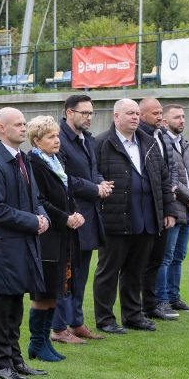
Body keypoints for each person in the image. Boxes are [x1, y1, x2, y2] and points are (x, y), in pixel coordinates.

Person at [0, 107, 51, 379]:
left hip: (23, 246)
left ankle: (16, 360)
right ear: (2, 128)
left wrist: (42, 216)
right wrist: (33, 221)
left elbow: (34, 199)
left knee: (17, 305)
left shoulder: (23, 160)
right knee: (3, 306)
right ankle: (2, 364)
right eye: (18, 124)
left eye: (24, 123)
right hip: (4, 249)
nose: (23, 128)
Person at [93, 99, 177, 334]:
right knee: (108, 271)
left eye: (137, 113)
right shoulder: (101, 143)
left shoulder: (149, 143)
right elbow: (93, 175)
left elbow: (163, 179)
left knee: (135, 271)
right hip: (115, 218)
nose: (134, 117)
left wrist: (169, 210)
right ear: (116, 116)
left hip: (146, 218)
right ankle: (105, 319)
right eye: (129, 113)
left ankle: (132, 315)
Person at [51, 94, 113, 346]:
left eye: (91, 113)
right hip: (69, 218)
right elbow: (63, 179)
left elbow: (92, 171)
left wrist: (101, 182)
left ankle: (76, 323)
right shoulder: (59, 141)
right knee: (66, 275)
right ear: (69, 113)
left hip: (88, 218)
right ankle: (58, 327)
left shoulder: (88, 140)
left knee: (81, 276)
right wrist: (94, 188)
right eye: (84, 113)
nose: (88, 117)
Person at [26, 116, 85, 361]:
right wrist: (64, 218)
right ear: (36, 141)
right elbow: (40, 201)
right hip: (46, 235)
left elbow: (66, 191)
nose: (57, 140)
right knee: (44, 291)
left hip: (63, 235)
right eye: (50, 137)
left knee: (55, 290)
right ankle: (36, 343)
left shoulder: (56, 160)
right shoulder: (33, 163)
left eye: (57, 135)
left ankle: (44, 343)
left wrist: (75, 213)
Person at [156, 104, 189, 313]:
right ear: (165, 122)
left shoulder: (184, 144)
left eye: (183, 116)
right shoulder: (161, 143)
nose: (182, 120)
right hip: (173, 209)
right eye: (177, 117)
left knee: (179, 256)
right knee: (165, 257)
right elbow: (170, 180)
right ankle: (161, 299)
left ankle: (174, 297)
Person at [138, 97, 180, 322]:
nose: (159, 117)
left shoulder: (161, 136)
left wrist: (170, 205)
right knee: (141, 261)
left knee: (157, 258)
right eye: (155, 114)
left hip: (164, 204)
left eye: (160, 113)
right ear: (142, 115)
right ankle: (138, 307)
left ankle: (150, 304)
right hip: (146, 208)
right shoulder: (140, 138)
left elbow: (168, 169)